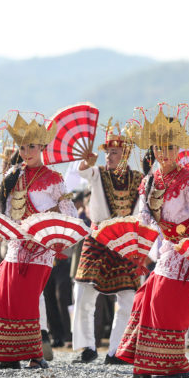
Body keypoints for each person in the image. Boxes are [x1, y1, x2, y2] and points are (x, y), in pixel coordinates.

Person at [0, 112, 78, 369]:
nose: (26, 151)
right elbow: (4, 213)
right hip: (16, 248)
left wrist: (50, 233)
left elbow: (70, 215)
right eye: (22, 147)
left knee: (25, 299)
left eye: (31, 146)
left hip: (40, 250)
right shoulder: (12, 176)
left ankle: (32, 355)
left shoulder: (54, 179)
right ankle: (10, 353)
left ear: (42, 147)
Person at [115, 104, 189, 378]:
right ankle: (150, 362)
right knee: (148, 298)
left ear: (178, 149)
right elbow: (144, 221)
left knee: (164, 301)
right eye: (158, 148)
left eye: (168, 148)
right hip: (166, 249)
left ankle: (174, 365)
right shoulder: (149, 182)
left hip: (187, 249)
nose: (163, 154)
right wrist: (138, 250)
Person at [71, 124, 145, 364]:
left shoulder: (138, 179)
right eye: (107, 152)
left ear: (125, 154)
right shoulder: (98, 172)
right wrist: (87, 161)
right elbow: (83, 171)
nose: (109, 157)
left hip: (125, 240)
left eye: (114, 152)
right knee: (83, 292)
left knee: (127, 296)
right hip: (98, 238)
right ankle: (86, 347)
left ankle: (117, 351)